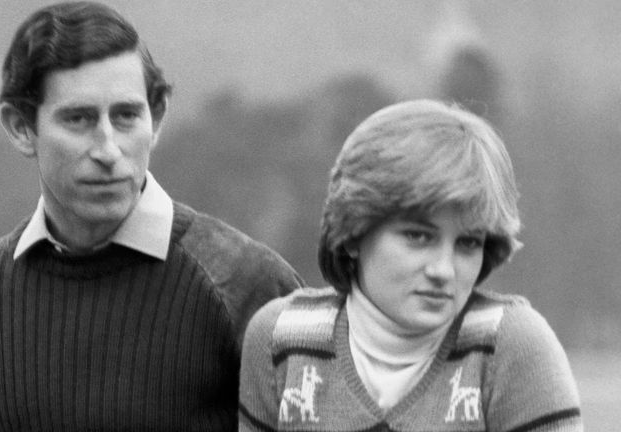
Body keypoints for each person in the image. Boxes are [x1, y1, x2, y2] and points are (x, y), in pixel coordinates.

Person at [0, 2, 302, 431]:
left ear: (156, 118)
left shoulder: (250, 286)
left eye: (126, 116)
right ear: (20, 127)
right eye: (78, 119)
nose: (108, 150)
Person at [239, 100, 583, 431]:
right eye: (418, 237)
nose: (443, 270)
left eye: (468, 243)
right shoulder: (280, 337)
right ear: (355, 233)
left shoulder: (511, 345)